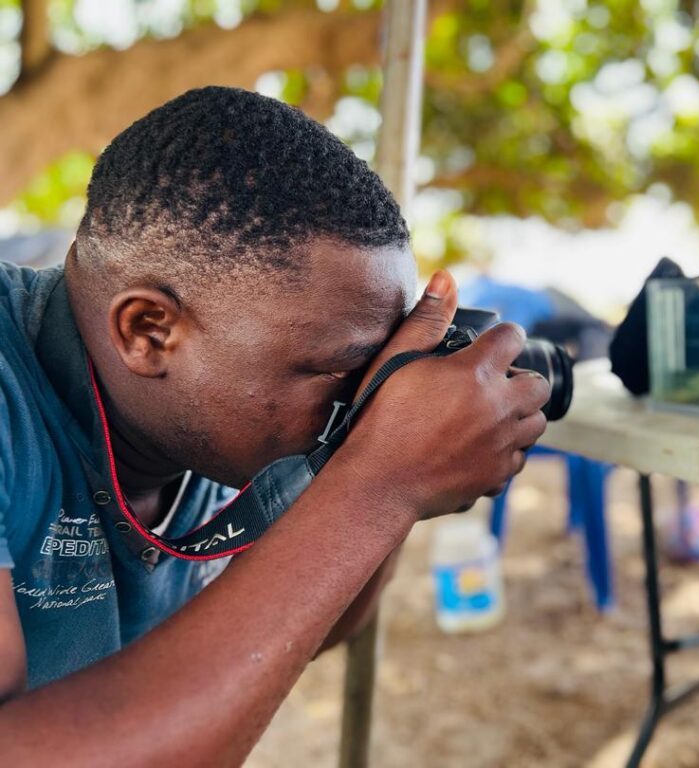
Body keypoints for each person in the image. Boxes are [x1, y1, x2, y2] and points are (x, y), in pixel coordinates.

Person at [0, 86, 550, 763]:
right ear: (149, 332)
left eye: (379, 365)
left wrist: (400, 456)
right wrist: (379, 481)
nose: (364, 399)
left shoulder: (191, 413)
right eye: (343, 371)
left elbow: (306, 628)